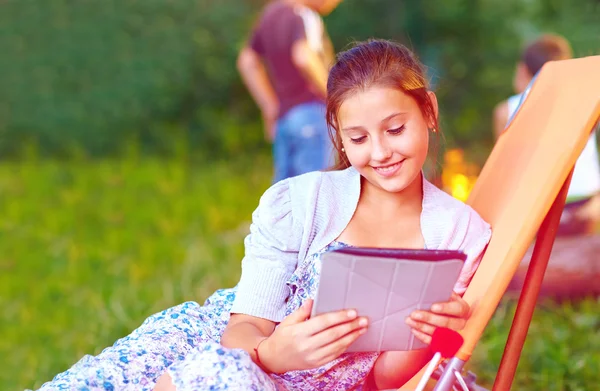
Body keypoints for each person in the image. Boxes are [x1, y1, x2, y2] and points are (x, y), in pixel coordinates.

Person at [38, 40, 492, 391]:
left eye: (395, 129)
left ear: (428, 111)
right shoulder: (300, 203)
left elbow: (384, 378)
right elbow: (242, 329)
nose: (380, 152)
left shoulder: (458, 234)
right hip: (226, 356)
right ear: (338, 137)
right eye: (357, 139)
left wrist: (426, 336)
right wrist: (273, 354)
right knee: (216, 372)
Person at [493, 34, 600, 236]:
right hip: (587, 203)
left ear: (523, 69)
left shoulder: (506, 110)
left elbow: (505, 170)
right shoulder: (589, 102)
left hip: (537, 208)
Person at [237, 0, 341, 182]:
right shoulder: (304, 14)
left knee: (285, 198)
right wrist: (334, 96)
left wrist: (269, 107)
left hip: (284, 120)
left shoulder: (269, 15)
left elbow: (246, 61)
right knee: (318, 191)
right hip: (313, 114)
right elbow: (302, 55)